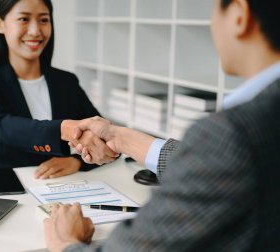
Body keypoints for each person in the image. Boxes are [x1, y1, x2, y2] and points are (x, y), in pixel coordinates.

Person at [43, 0, 280, 251]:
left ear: (239, 16)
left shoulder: (232, 132)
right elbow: (223, 167)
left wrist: (65, 242)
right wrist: (120, 137)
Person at [0, 0, 117, 179]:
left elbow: (104, 136)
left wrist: (77, 161)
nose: (35, 31)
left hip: (64, 185)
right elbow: (0, 126)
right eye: (23, 19)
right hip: (7, 186)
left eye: (44, 20)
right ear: (0, 24)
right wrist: (65, 128)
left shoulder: (66, 81)